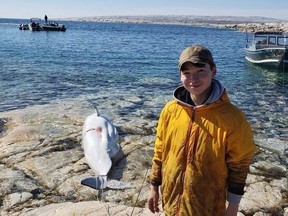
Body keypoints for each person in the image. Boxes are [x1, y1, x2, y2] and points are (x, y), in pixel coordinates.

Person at [147, 45, 256, 216]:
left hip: (209, 208)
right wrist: (154, 186)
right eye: (187, 73)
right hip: (171, 204)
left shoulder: (233, 118)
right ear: (180, 75)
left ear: (213, 70)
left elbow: (239, 165)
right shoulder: (170, 110)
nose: (193, 79)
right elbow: (160, 149)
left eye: (200, 70)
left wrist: (233, 206)